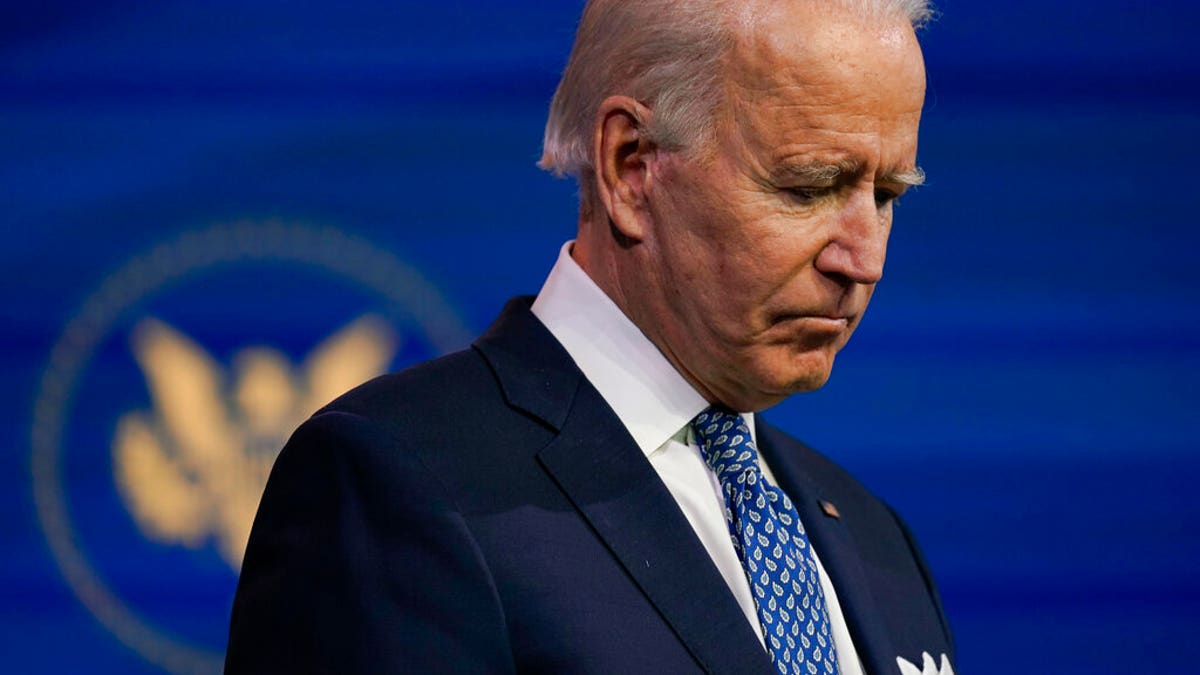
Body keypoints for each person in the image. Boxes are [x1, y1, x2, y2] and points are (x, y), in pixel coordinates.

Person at [226, 1, 955, 673]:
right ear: (630, 166)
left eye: (886, 195)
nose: (863, 258)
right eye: (808, 187)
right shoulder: (401, 483)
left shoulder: (873, 536)